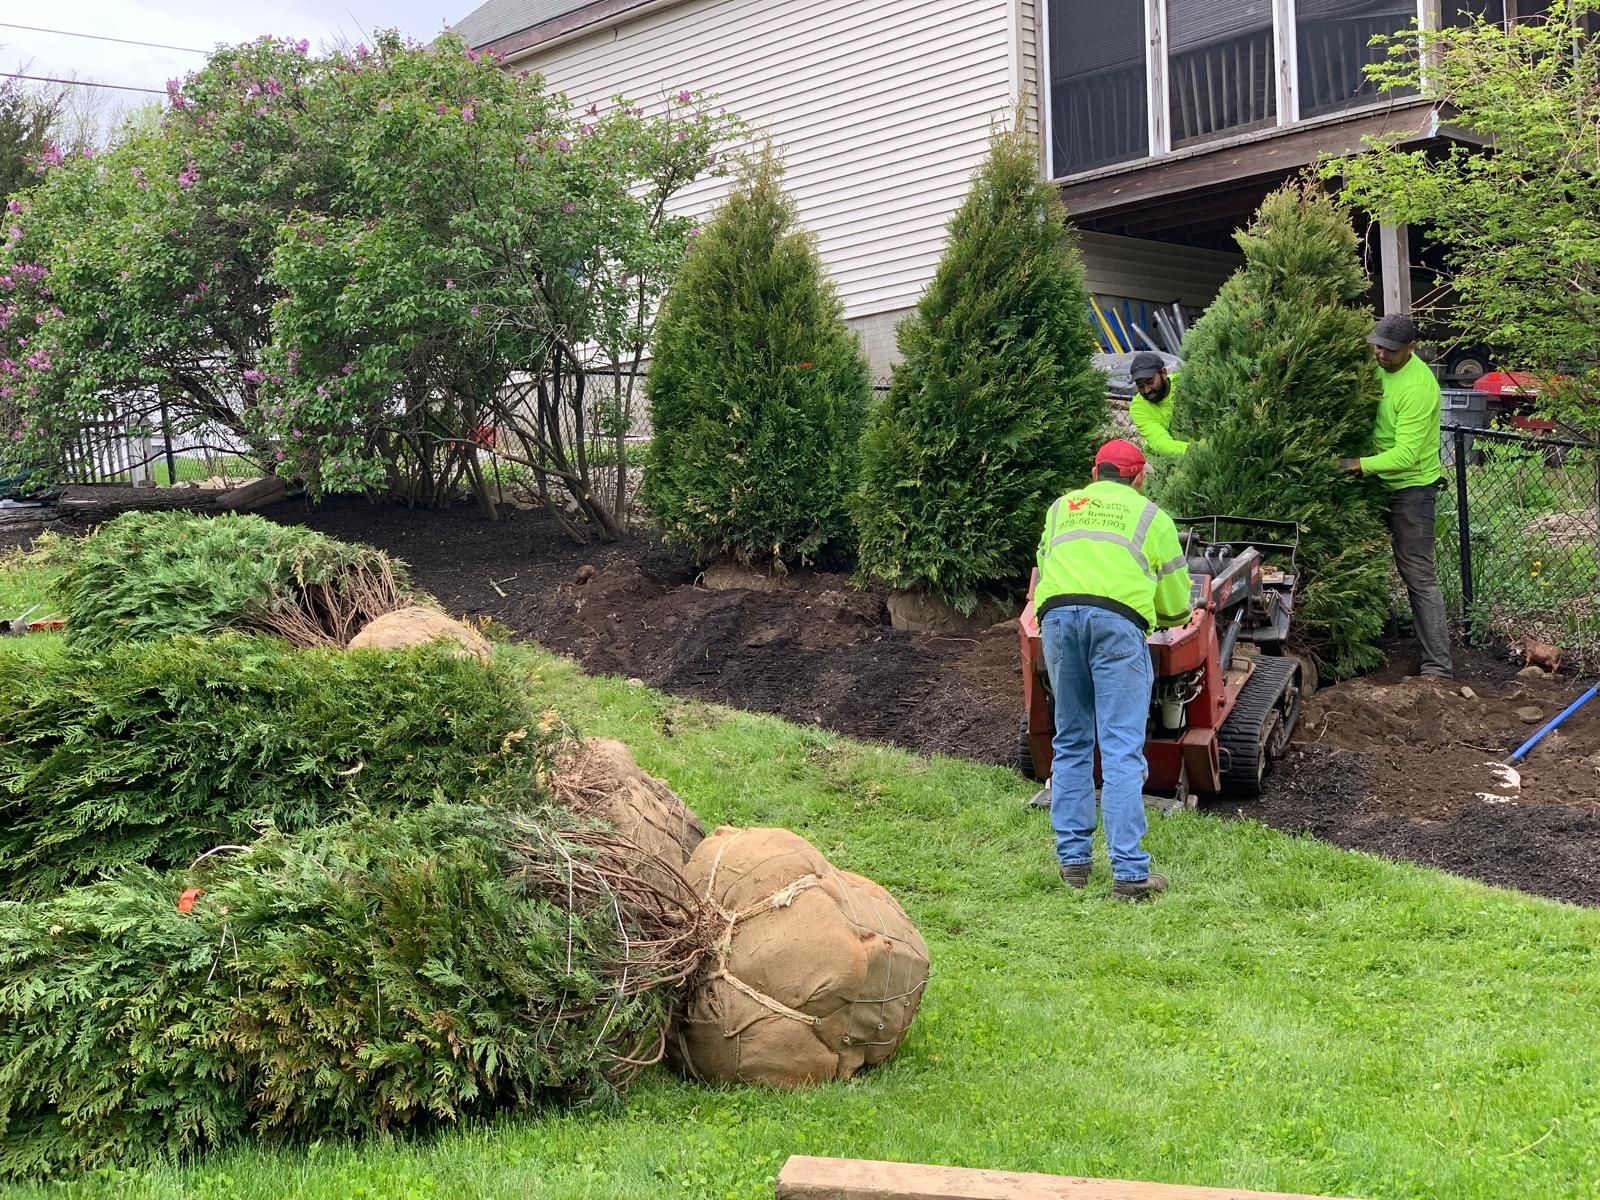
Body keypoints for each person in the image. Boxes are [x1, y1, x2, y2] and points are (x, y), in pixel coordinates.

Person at [1033, 438, 1193, 901]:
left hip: (1059, 621)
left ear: (1094, 471)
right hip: (1117, 625)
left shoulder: (1062, 507)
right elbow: (1176, 598)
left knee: (1072, 741)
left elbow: (1045, 569)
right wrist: (1168, 616)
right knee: (1121, 749)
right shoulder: (1151, 516)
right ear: (1139, 477)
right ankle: (1128, 874)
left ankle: (1074, 864)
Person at [1340, 314, 1454, 679]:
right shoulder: (1374, 366)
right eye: (1377, 345)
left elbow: (1405, 456)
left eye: (1389, 350)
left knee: (1418, 574)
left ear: (1412, 347)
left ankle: (1438, 667)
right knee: (1364, 564)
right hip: (1376, 483)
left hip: (1412, 488)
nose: (1380, 354)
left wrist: (1355, 464)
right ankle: (1384, 636)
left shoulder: (1418, 387)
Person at [1127, 351, 1189, 458]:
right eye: (1140, 386)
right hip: (1162, 459)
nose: (1146, 390)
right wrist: (1201, 451)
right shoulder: (1138, 407)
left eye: (1150, 382)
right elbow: (1162, 445)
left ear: (1163, 373)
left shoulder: (1184, 384)